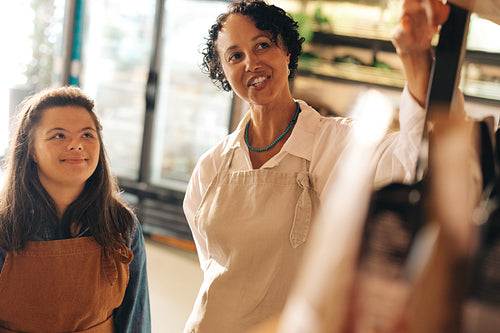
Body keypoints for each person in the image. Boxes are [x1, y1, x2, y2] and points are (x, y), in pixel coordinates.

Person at [182, 0, 451, 332]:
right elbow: (213, 266)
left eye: (262, 45)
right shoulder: (210, 168)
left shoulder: (341, 144)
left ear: (287, 52)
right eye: (235, 56)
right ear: (224, 72)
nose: (251, 62)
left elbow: (418, 159)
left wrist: (415, 57)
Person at [0, 86, 151, 332]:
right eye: (58, 135)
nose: (76, 145)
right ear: (31, 150)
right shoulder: (5, 224)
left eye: (87, 135)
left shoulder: (122, 224)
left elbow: (136, 319)